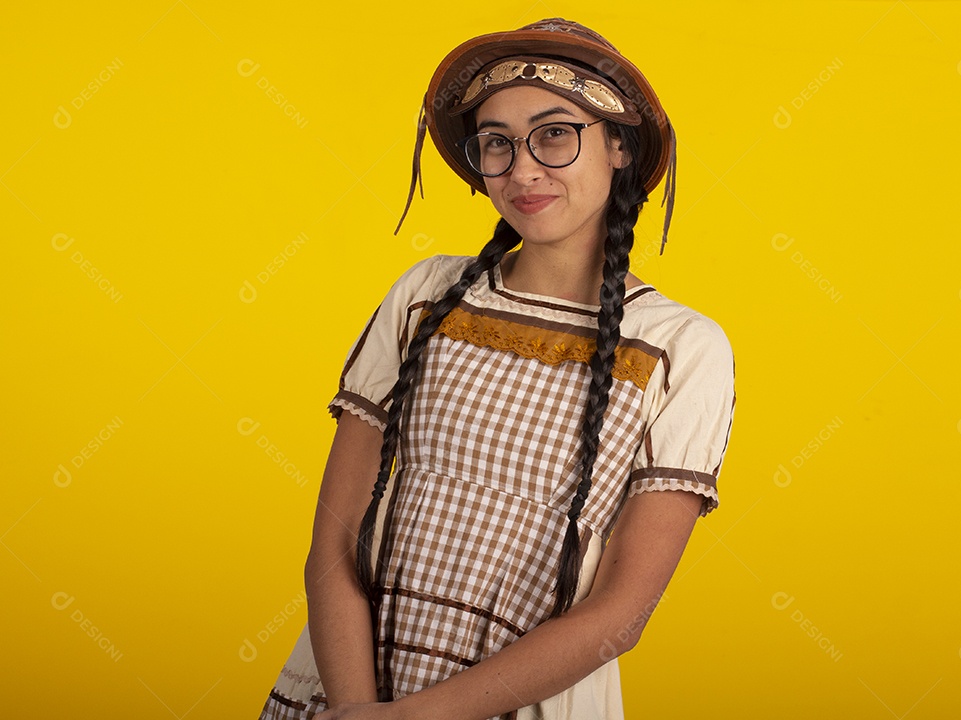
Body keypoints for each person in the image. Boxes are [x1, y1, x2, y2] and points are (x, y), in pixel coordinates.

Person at [257, 17, 736, 720]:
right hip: (344, 694)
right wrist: (361, 711)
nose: (523, 170)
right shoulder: (424, 296)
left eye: (553, 133)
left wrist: (414, 719)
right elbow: (333, 541)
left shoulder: (683, 346)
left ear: (619, 147)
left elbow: (619, 615)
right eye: (497, 144)